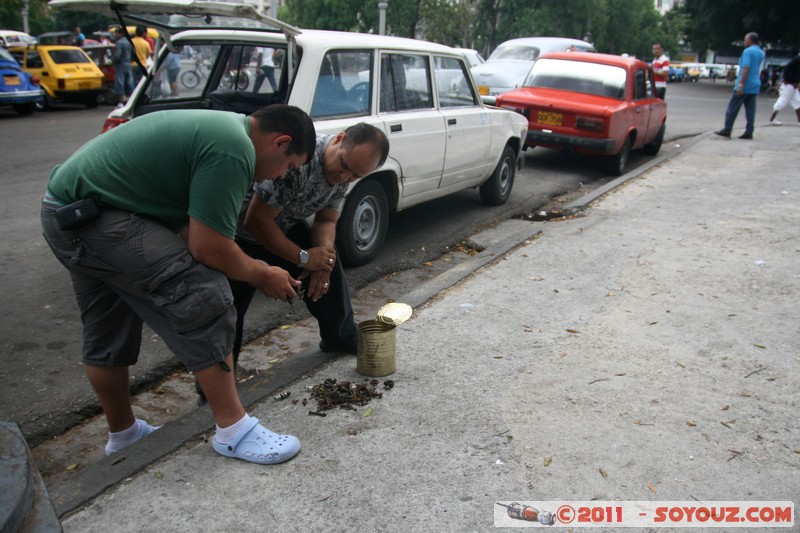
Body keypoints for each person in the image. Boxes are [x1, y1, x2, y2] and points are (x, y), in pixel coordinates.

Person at [40, 105, 317, 465]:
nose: (281, 177)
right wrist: (261, 273)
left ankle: (124, 435)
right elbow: (208, 247)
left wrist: (250, 266)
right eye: (289, 167)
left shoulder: (222, 130)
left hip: (67, 213)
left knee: (109, 326)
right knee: (205, 295)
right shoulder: (234, 147)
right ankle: (233, 431)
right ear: (280, 142)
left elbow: (191, 231)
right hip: (95, 218)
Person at [194, 123, 390, 404]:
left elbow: (327, 219)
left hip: (284, 225)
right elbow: (256, 221)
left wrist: (322, 258)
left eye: (355, 175)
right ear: (339, 139)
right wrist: (304, 258)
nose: (344, 177)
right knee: (228, 307)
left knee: (329, 270)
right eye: (344, 166)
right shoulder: (301, 161)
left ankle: (339, 336)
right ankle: (214, 388)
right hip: (239, 234)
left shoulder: (346, 171)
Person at [715, 32, 765, 140]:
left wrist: (741, 84)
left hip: (745, 83)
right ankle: (749, 131)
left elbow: (746, 68)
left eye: (746, 39)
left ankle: (727, 129)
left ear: (750, 40)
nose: (745, 42)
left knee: (733, 108)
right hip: (755, 84)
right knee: (750, 110)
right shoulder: (761, 52)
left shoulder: (748, 51)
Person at [768, 55, 800, 126]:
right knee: (782, 102)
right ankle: (771, 119)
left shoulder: (796, 66)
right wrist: (786, 80)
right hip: (788, 86)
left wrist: (797, 83)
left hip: (793, 86)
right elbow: (787, 73)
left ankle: (799, 121)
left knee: (798, 102)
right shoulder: (793, 64)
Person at [109, 25, 134, 106]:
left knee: (120, 83)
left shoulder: (119, 43)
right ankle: (130, 100)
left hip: (120, 65)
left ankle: (120, 102)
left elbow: (117, 55)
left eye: (116, 33)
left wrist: (112, 61)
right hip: (128, 64)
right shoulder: (128, 42)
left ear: (120, 33)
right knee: (129, 83)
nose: (115, 35)